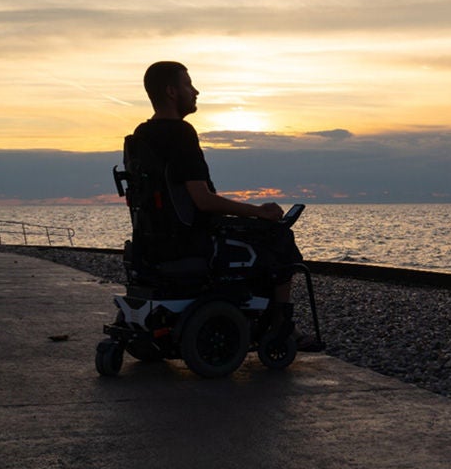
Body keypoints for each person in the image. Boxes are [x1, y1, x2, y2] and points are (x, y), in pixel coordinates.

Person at [129, 60, 321, 351]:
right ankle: (282, 326)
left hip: (154, 242)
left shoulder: (142, 135)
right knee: (278, 236)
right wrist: (258, 212)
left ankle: (261, 316)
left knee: (258, 235)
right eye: (188, 84)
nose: (196, 91)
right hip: (191, 241)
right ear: (171, 91)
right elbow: (203, 201)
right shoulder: (180, 134)